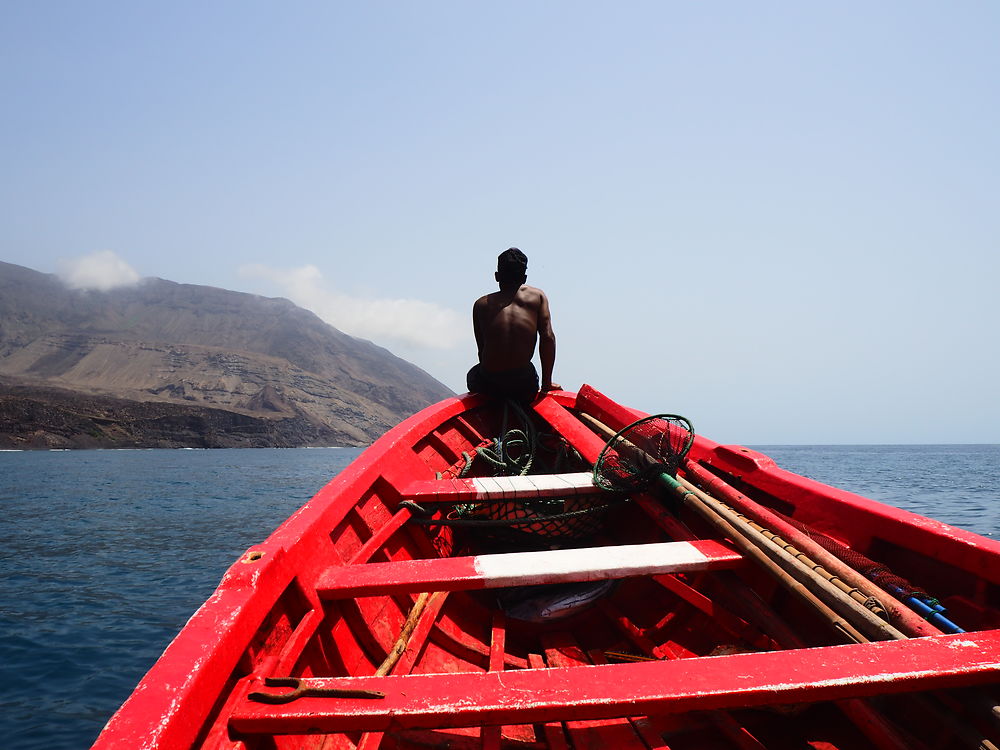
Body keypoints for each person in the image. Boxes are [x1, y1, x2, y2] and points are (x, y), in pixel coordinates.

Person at [467, 248, 561, 402]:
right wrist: (546, 384)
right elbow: (548, 338)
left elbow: (482, 351)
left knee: (473, 374)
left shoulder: (481, 304)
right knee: (527, 371)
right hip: (523, 384)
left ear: (496, 276)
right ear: (524, 278)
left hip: (490, 384)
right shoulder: (537, 297)